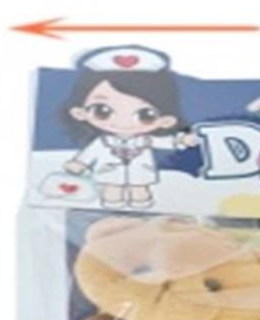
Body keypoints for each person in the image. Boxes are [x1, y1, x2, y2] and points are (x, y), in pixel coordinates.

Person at [60, 45, 200, 209]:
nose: (124, 123)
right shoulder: (103, 142)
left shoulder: (146, 140)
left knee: (140, 188)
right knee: (112, 189)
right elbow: (89, 153)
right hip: (109, 172)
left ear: (165, 120)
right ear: (80, 113)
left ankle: (142, 203)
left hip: (140, 172)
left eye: (146, 115)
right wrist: (80, 163)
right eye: (102, 111)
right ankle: (112, 205)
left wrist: (182, 140)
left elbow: (166, 142)